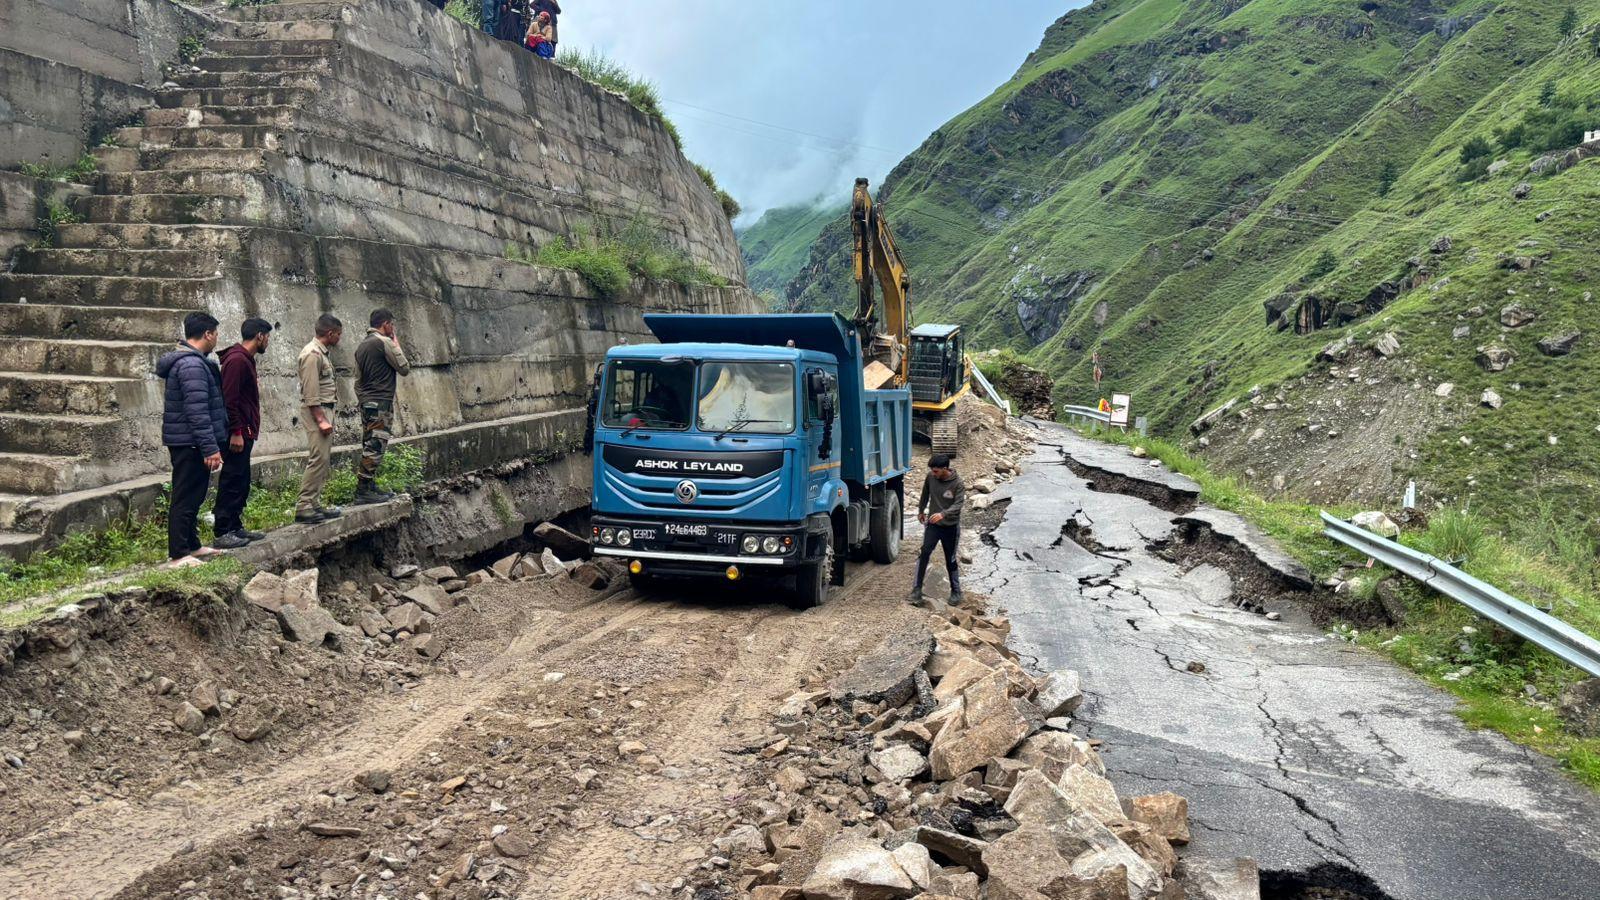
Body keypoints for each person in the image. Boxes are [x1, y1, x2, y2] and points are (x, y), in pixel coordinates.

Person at [155, 312, 228, 564]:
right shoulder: (192, 365)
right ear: (207, 334)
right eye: (215, 334)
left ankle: (191, 545)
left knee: (195, 495)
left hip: (190, 440)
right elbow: (197, 412)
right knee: (186, 495)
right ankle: (178, 553)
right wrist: (210, 448)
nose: (217, 339)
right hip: (190, 442)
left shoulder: (195, 362)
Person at [213, 317, 273, 549]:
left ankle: (235, 526)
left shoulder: (245, 359)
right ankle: (222, 531)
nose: (267, 342)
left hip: (246, 430)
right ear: (259, 336)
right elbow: (230, 400)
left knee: (242, 480)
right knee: (232, 479)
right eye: (267, 337)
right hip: (238, 432)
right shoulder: (237, 360)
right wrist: (236, 431)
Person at [352, 308, 412, 504]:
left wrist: (363, 400)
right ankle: (363, 490)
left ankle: (369, 486)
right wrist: (395, 341)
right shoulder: (384, 342)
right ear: (385, 324)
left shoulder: (361, 346)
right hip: (381, 403)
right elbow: (404, 368)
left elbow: (358, 380)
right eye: (391, 324)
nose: (392, 328)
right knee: (377, 444)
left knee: (369, 442)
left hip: (367, 403)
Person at [296, 314, 344, 524]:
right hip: (317, 411)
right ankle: (304, 505)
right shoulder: (312, 354)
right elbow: (310, 392)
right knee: (318, 458)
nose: (339, 339)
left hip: (324, 410)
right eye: (338, 334)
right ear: (330, 333)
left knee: (323, 458)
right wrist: (321, 419)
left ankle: (314, 503)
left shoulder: (321, 353)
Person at [911, 453, 965, 605]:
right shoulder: (930, 477)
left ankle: (956, 591)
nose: (933, 474)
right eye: (932, 471)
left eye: (936, 471)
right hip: (933, 526)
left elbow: (958, 505)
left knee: (951, 558)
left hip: (950, 527)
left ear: (945, 469)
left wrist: (943, 514)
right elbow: (925, 494)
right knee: (925, 552)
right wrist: (921, 510)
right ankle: (916, 589)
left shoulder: (958, 484)